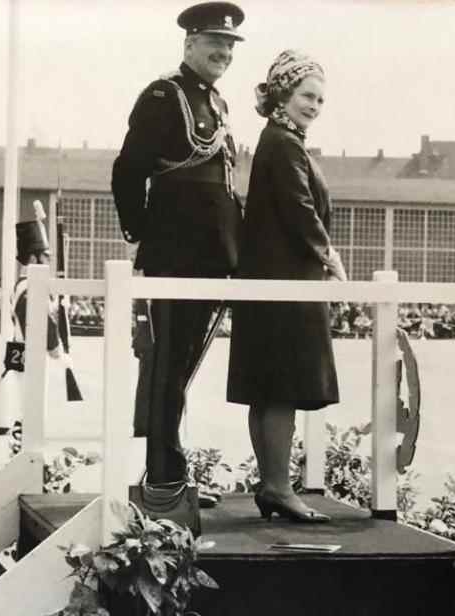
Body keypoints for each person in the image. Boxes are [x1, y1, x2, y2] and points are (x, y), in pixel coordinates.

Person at [112, 2, 244, 488]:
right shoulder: (164, 96)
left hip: (216, 254)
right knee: (168, 361)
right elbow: (128, 170)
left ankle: (171, 466)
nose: (223, 52)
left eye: (229, 45)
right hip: (177, 252)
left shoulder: (218, 104)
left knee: (186, 361)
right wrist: (142, 234)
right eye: (215, 42)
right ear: (190, 43)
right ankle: (165, 476)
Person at [227, 49, 346, 523]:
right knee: (281, 388)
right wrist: (330, 255)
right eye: (306, 95)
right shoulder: (283, 143)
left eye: (320, 98)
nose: (314, 105)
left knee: (268, 388)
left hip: (274, 280)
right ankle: (278, 487)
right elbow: (300, 209)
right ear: (283, 94)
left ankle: (274, 485)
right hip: (287, 282)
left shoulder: (278, 139)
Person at [3, 220, 62, 437]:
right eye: (45, 256)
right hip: (30, 354)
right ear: (32, 257)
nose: (49, 260)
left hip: (28, 353)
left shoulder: (30, 284)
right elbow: (39, 321)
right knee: (29, 412)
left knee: (31, 410)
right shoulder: (28, 286)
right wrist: (54, 345)